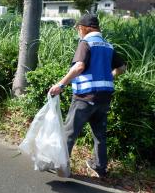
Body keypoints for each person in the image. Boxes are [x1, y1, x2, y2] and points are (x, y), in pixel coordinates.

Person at [49, 14, 126, 178]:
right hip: (104, 98)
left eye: (79, 28)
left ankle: (61, 165)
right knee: (100, 135)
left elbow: (79, 67)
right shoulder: (108, 46)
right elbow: (122, 68)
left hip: (85, 97)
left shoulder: (86, 43)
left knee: (70, 132)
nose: (78, 31)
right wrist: (108, 76)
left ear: (86, 28)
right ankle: (100, 168)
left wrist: (61, 84)